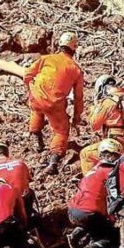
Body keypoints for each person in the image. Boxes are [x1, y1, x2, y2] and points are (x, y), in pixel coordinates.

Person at [24, 31, 85, 169]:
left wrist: (31, 88)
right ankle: (54, 161)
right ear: (74, 48)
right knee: (62, 130)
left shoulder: (46, 58)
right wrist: (76, 117)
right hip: (54, 103)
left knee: (37, 111)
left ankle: (37, 138)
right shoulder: (75, 69)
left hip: (36, 96)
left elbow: (27, 74)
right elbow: (78, 97)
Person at [68, 138, 122, 248]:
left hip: (73, 211)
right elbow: (113, 198)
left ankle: (76, 234)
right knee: (112, 237)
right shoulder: (110, 173)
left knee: (95, 226)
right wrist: (112, 217)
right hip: (89, 213)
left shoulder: (95, 168)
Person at [80, 76, 124, 171]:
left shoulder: (108, 102)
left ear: (102, 89)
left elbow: (94, 126)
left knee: (85, 154)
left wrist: (95, 108)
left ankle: (91, 183)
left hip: (117, 146)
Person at [0, 140, 35, 217]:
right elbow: (29, 178)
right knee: (30, 192)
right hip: (24, 200)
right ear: (6, 151)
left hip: (6, 206)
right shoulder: (20, 163)